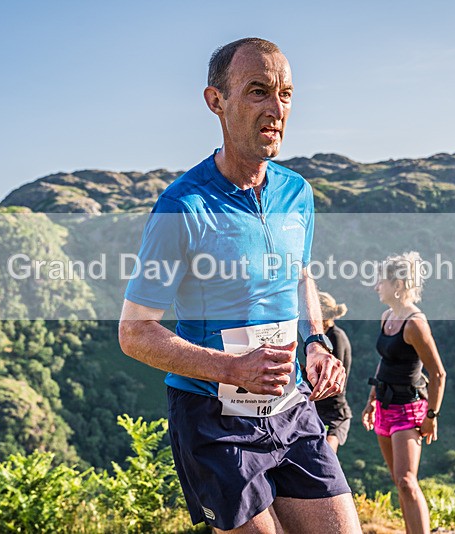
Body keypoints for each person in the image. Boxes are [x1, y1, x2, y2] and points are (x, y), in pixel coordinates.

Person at [118, 37, 362, 534]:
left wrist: (315, 341)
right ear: (216, 101)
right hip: (213, 418)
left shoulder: (298, 193)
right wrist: (233, 367)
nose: (276, 109)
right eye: (257, 91)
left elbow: (299, 274)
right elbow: (135, 332)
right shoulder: (181, 207)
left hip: (291, 406)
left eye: (286, 94)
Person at [361, 251, 447, 534]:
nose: (376, 287)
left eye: (380, 282)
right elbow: (385, 359)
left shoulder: (415, 324)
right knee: (398, 480)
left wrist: (432, 416)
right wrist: (372, 399)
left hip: (409, 409)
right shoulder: (387, 317)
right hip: (385, 406)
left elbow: (437, 373)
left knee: (408, 481)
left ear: (397, 285)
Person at [312, 291, 353, 453]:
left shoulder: (335, 337)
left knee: (326, 457)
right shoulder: (323, 337)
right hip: (319, 409)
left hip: (335, 413)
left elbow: (332, 376)